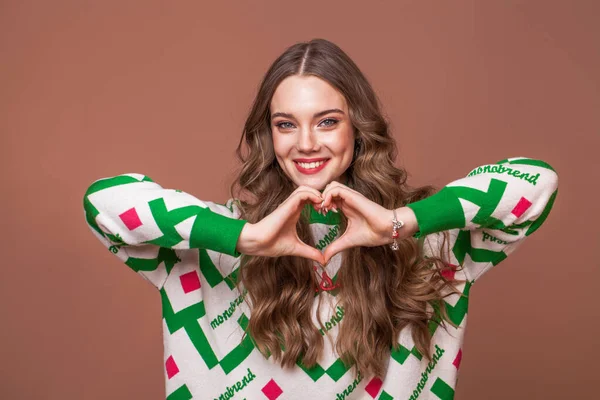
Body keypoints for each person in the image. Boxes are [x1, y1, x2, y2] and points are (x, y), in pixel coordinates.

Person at [83, 38, 559, 400]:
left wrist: (402, 223)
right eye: (285, 124)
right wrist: (244, 238)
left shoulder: (433, 244)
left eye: (328, 120)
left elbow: (536, 183)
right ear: (269, 136)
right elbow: (103, 202)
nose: (306, 143)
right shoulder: (211, 244)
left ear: (359, 127)